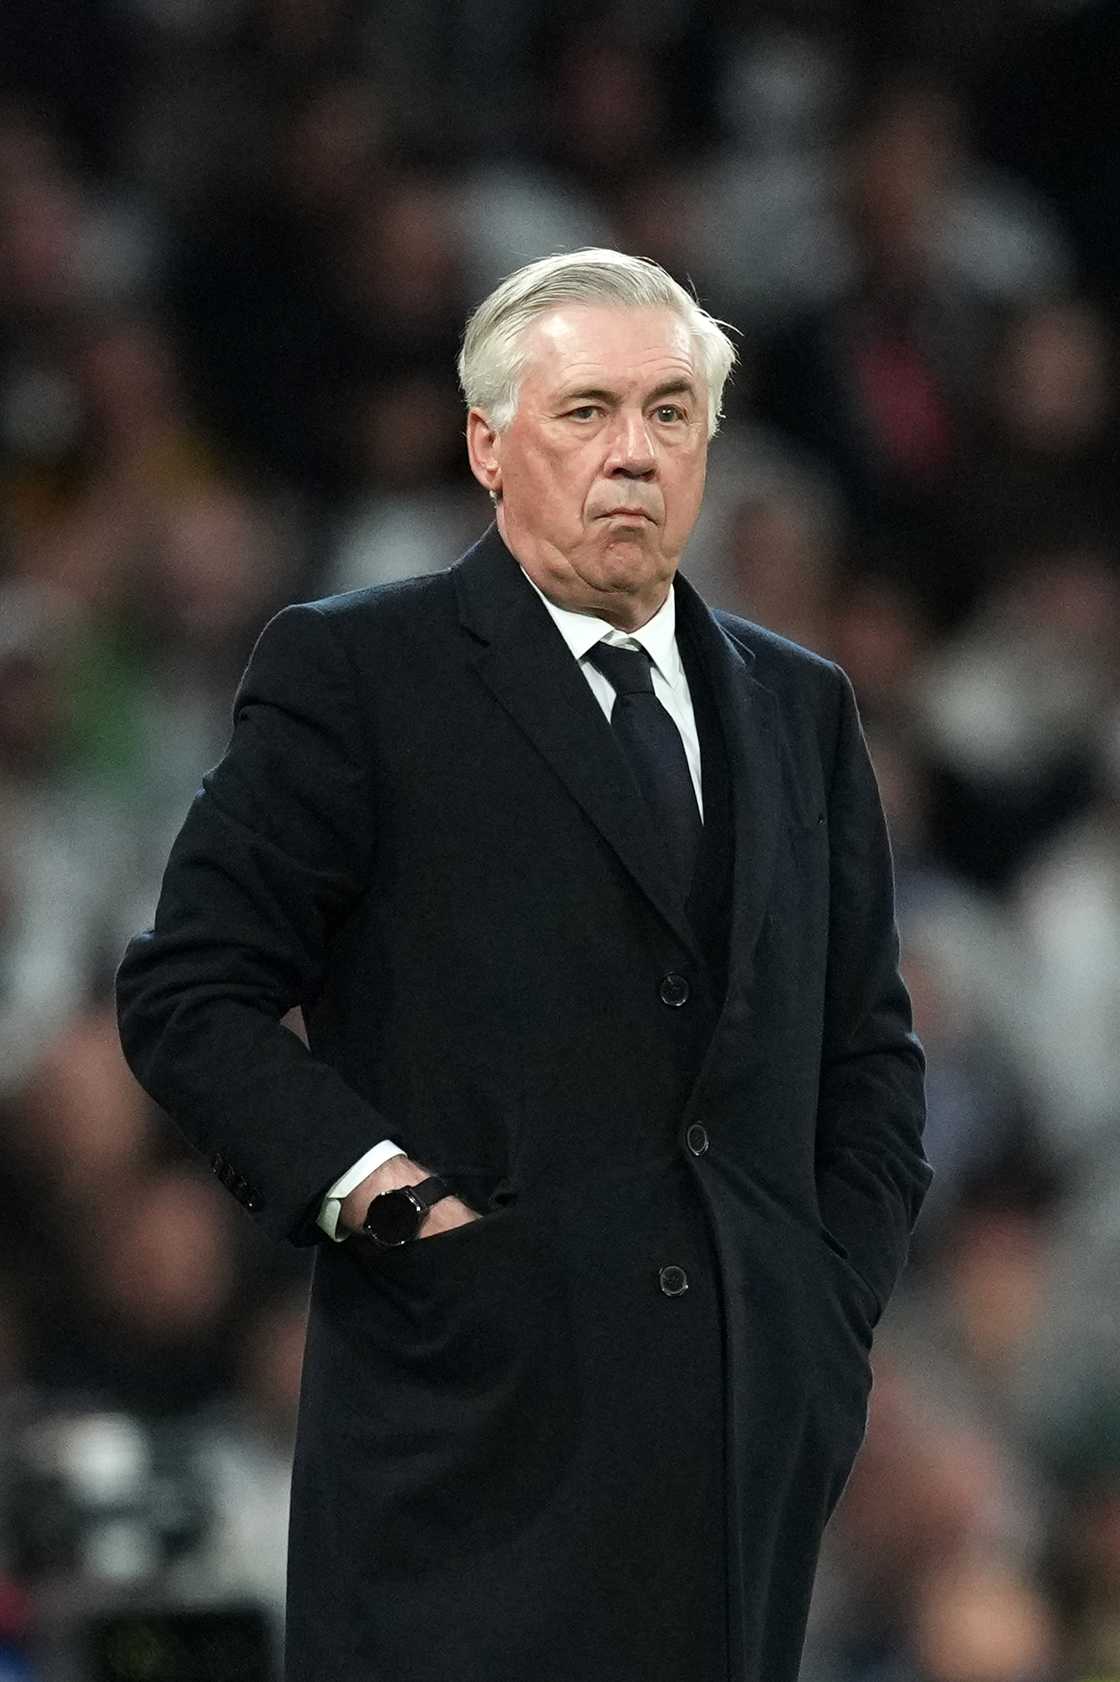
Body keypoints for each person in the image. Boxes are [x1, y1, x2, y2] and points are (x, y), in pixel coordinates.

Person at [116, 248, 930, 1682]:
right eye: (587, 411)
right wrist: (393, 1209)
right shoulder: (358, 672)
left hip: (739, 1455)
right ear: (488, 446)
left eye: (670, 413)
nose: (635, 452)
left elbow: (865, 1053)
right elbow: (189, 993)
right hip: (463, 1448)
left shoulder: (801, 708)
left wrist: (825, 1301)